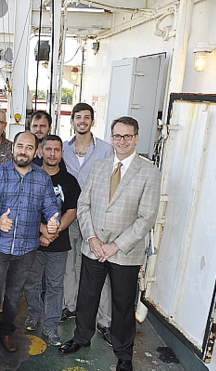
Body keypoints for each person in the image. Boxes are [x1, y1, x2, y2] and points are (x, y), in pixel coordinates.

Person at [59, 116, 161, 371]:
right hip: (93, 247)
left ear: (136, 137)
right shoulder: (100, 166)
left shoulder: (149, 171)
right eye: (117, 136)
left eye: (127, 136)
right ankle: (81, 338)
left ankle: (124, 354)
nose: (122, 141)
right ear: (111, 138)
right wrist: (92, 238)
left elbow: (146, 217)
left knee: (123, 305)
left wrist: (115, 245)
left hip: (124, 253)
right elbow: (84, 205)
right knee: (87, 297)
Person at [0, 131, 61, 360]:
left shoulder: (42, 178)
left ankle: (7, 331)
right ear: (13, 148)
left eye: (29, 147)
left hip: (26, 248)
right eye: (20, 145)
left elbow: (50, 206)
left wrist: (53, 219)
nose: (23, 151)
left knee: (14, 294)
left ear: (36, 151)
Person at [61, 103, 114, 345]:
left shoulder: (106, 150)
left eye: (87, 117)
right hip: (71, 216)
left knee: (98, 269)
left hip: (96, 218)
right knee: (69, 265)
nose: (82, 121)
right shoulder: (62, 149)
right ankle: (69, 306)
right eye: (78, 117)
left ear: (93, 121)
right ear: (72, 121)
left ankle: (105, 320)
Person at [23, 135, 81, 346]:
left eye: (56, 150)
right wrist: (42, 231)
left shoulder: (69, 181)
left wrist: (53, 232)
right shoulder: (31, 177)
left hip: (59, 243)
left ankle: (51, 326)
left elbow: (72, 211)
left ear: (62, 153)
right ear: (40, 151)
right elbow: (25, 209)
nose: (52, 154)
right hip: (33, 241)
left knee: (56, 286)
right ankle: (34, 314)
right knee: (32, 282)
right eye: (48, 149)